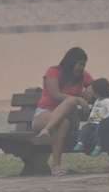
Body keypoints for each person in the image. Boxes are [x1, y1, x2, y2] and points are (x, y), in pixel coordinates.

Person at [33, 47, 93, 176]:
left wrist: (90, 90)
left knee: (69, 105)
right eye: (80, 64)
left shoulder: (83, 76)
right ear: (71, 62)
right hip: (44, 114)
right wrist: (77, 99)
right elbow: (55, 94)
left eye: (84, 64)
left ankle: (47, 130)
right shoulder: (53, 72)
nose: (82, 67)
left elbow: (95, 86)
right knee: (63, 121)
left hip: (71, 118)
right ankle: (56, 166)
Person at [73, 78, 109, 156]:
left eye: (94, 91)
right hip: (93, 122)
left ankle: (98, 146)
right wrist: (90, 119)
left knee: (98, 132)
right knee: (85, 128)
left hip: (101, 123)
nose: (92, 93)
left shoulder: (107, 101)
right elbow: (94, 110)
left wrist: (104, 119)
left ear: (99, 91)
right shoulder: (97, 100)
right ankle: (80, 143)